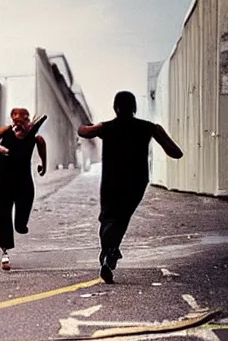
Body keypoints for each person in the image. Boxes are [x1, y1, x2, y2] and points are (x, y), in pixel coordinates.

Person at [78, 91, 183, 284]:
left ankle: (108, 253)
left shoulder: (107, 127)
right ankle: (110, 253)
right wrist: (156, 133)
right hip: (136, 181)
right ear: (134, 108)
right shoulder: (148, 127)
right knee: (122, 217)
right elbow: (176, 153)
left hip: (112, 180)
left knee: (108, 218)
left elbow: (83, 132)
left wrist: (89, 125)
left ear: (116, 108)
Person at [0, 109, 47, 271]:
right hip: (1, 182)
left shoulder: (35, 137)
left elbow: (42, 147)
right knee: (4, 221)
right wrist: (1, 149)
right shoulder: (6, 131)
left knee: (20, 225)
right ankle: (5, 253)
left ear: (28, 121)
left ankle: (21, 225)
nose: (18, 125)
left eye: (22, 122)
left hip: (23, 183)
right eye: (15, 121)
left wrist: (43, 166)